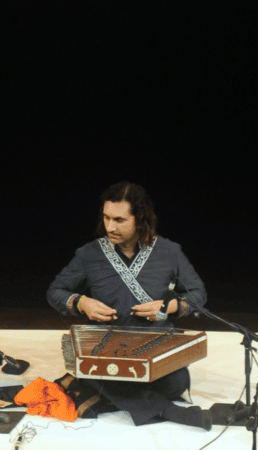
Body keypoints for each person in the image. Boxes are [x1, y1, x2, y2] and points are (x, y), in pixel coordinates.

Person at [47, 182, 211, 431]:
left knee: (176, 382)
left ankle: (111, 397)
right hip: (105, 349)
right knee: (96, 373)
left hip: (155, 346)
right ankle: (168, 411)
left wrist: (169, 307)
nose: (110, 227)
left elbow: (199, 294)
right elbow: (55, 291)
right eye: (106, 218)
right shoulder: (88, 254)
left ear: (140, 219)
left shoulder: (169, 252)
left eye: (119, 220)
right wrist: (82, 302)